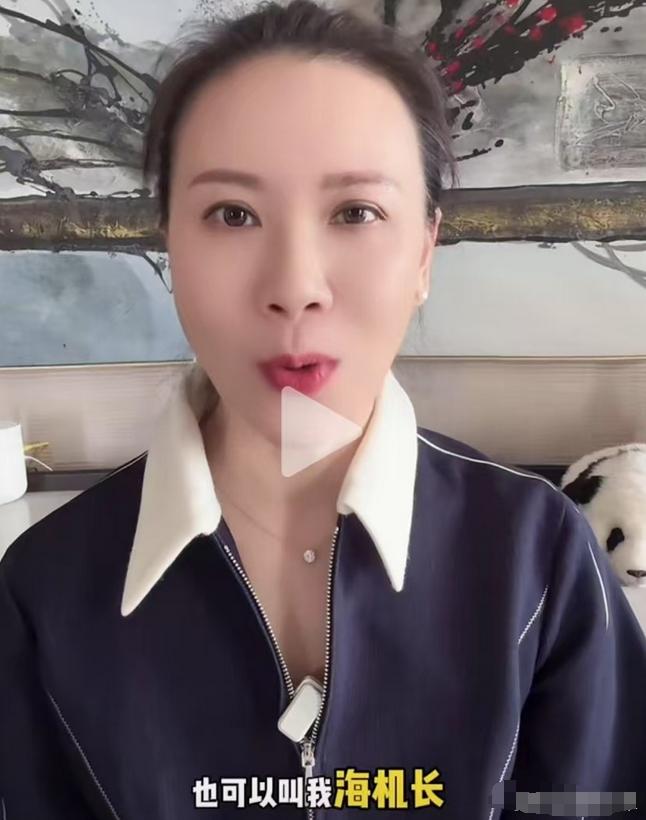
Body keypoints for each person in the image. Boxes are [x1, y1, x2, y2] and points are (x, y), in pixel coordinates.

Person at [1, 1, 645, 818]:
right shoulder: (45, 592)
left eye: (355, 212)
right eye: (233, 214)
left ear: (423, 252)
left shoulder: (537, 554)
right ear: (170, 243)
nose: (296, 286)